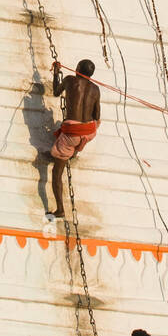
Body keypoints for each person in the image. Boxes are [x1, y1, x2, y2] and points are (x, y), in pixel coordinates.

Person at [49, 59, 100, 218]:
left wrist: (56, 73)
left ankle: (60, 210)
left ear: (77, 69)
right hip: (89, 133)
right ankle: (74, 152)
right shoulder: (96, 89)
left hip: (72, 135)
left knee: (56, 173)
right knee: (81, 132)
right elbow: (97, 116)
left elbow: (56, 92)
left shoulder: (70, 80)